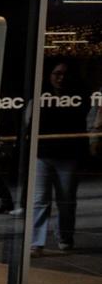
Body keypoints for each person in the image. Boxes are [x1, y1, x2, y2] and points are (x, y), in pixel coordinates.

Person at [32, 60, 85, 256]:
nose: (60, 78)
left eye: (64, 74)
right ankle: (36, 242)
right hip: (43, 154)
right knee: (39, 199)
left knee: (66, 199)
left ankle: (65, 236)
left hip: (68, 154)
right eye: (57, 74)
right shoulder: (40, 96)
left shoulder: (78, 97)